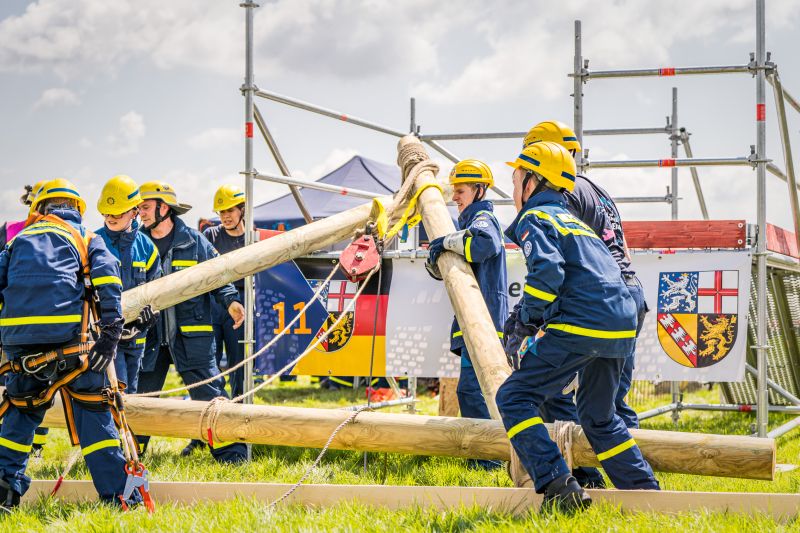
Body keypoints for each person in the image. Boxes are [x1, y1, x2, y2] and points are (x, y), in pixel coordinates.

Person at [496, 142, 659, 513]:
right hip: (620, 328)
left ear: (534, 181)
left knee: (514, 398)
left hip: (582, 326)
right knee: (599, 415)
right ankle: (645, 493)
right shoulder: (579, 224)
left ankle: (557, 483)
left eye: (516, 178)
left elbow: (547, 275)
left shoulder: (536, 218)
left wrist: (524, 323)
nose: (512, 189)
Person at [0, 178, 140, 510]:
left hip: (21, 352)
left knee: (20, 417)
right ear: (76, 209)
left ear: (39, 209)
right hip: (72, 348)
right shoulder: (85, 238)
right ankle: (119, 497)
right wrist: (110, 335)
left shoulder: (17, 242)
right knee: (94, 414)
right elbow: (108, 281)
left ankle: (4, 493)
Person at [522, 120, 646, 430]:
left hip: (599, 297)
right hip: (627, 294)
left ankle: (580, 468)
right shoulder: (597, 190)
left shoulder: (565, 191)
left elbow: (561, 256)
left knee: (551, 386)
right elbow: (625, 251)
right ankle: (634, 472)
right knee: (611, 400)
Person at [136, 180, 247, 463]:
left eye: (146, 207)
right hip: (151, 336)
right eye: (139, 208)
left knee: (210, 395)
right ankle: (131, 456)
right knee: (141, 399)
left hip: (192, 335)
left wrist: (231, 301)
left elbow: (218, 275)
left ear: (164, 208)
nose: (141, 213)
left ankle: (232, 457)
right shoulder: (137, 242)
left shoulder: (194, 241)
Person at [425, 159, 507, 470]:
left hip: (482, 319)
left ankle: (489, 462)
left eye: (460, 191)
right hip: (471, 318)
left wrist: (446, 242)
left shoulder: (483, 217)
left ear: (480, 189)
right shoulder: (466, 223)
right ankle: (483, 459)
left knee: (475, 390)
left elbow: (484, 245)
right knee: (470, 390)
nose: (455, 197)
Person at [95, 175, 162, 394]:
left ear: (134, 211)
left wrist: (150, 317)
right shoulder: (92, 243)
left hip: (136, 340)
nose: (110, 217)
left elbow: (157, 292)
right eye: (106, 212)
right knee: (112, 396)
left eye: (117, 212)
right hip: (103, 339)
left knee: (129, 396)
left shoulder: (148, 249)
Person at [0, 182, 51, 455]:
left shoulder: (62, 232)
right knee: (13, 385)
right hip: (13, 324)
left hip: (48, 323)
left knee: (40, 385)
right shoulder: (10, 231)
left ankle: (37, 446)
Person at [203, 185, 247, 399]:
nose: (225, 216)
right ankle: (216, 402)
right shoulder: (210, 234)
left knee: (238, 360)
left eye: (230, 210)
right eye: (221, 212)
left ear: (242, 210)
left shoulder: (252, 237)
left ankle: (239, 404)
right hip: (213, 305)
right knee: (210, 359)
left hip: (241, 304)